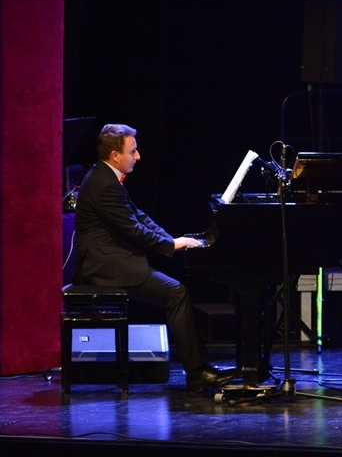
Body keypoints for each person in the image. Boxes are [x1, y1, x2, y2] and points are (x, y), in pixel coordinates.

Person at [74, 124, 240, 391]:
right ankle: (197, 373)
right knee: (177, 294)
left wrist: (171, 239)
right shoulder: (104, 184)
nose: (138, 156)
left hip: (112, 260)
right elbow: (134, 230)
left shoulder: (106, 177)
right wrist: (171, 245)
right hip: (105, 267)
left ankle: (199, 367)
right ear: (115, 156)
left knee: (176, 292)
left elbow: (140, 217)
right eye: (133, 151)